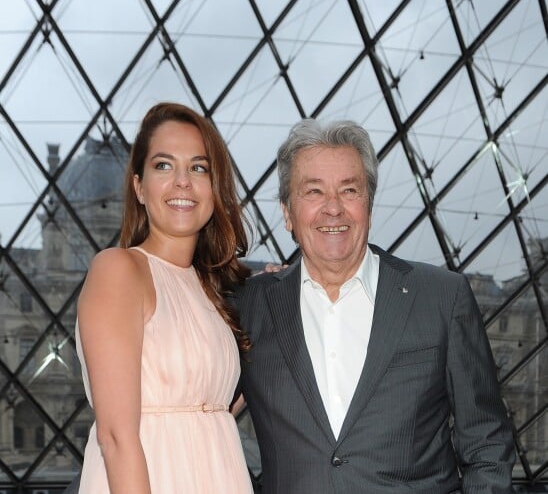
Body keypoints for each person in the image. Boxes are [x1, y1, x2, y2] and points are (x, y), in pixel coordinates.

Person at [233, 119, 515, 493]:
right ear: (287, 212)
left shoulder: (442, 297)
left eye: (349, 190)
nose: (333, 209)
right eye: (313, 192)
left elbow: (487, 443)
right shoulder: (248, 306)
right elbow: (195, 410)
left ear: (369, 203)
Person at [73, 102, 253, 493]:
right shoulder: (118, 270)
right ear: (139, 186)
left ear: (214, 187)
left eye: (199, 167)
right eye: (164, 165)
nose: (183, 181)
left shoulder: (210, 289)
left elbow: (211, 407)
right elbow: (116, 437)